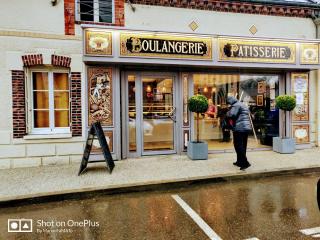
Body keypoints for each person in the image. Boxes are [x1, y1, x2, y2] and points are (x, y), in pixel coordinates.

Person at [226, 96, 252, 170]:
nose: (229, 104)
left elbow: (232, 115)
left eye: (229, 102)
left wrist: (227, 112)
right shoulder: (242, 104)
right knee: (243, 145)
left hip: (239, 128)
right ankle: (239, 161)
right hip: (246, 127)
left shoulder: (236, 105)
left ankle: (245, 163)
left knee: (238, 145)